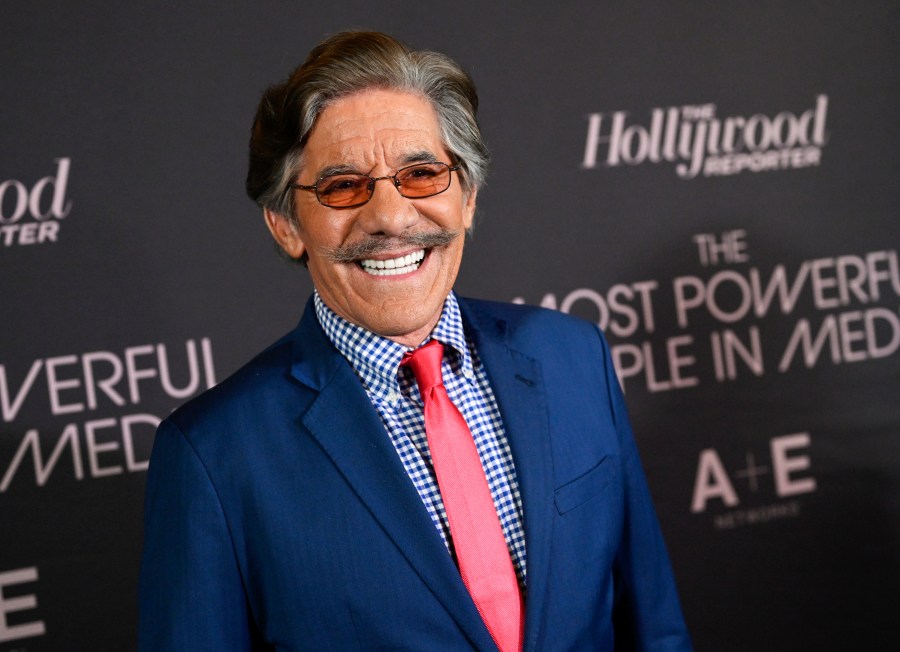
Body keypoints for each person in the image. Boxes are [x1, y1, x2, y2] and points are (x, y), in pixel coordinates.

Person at [138, 30, 692, 651]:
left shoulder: (573, 358)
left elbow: (655, 627)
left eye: (422, 173)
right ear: (287, 225)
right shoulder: (213, 456)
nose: (392, 217)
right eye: (343, 186)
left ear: (469, 198)